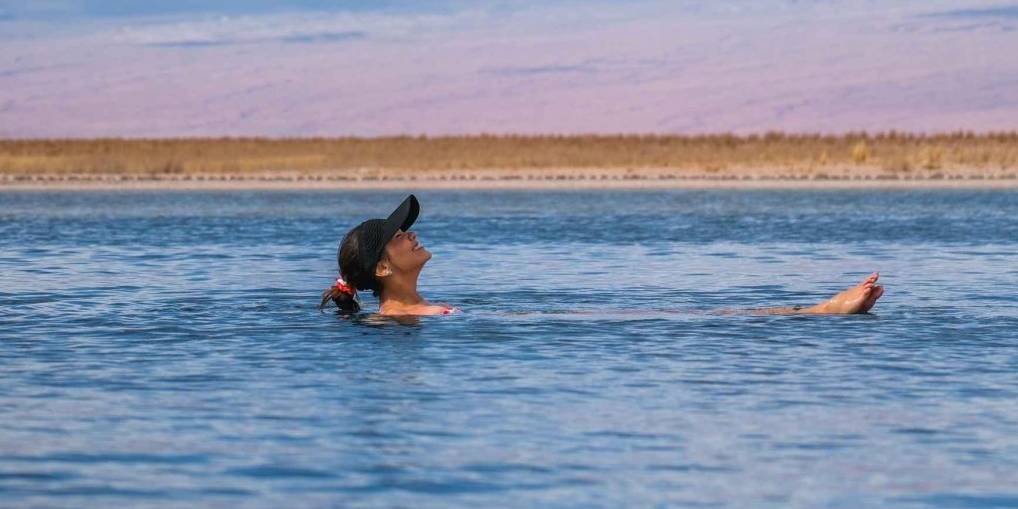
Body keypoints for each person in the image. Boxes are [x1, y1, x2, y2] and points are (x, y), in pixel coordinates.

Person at [319, 194, 886, 317]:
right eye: (400, 237)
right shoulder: (431, 316)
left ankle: (819, 310)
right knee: (700, 317)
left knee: (704, 316)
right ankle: (820, 312)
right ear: (382, 269)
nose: (412, 235)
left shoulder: (418, 313)